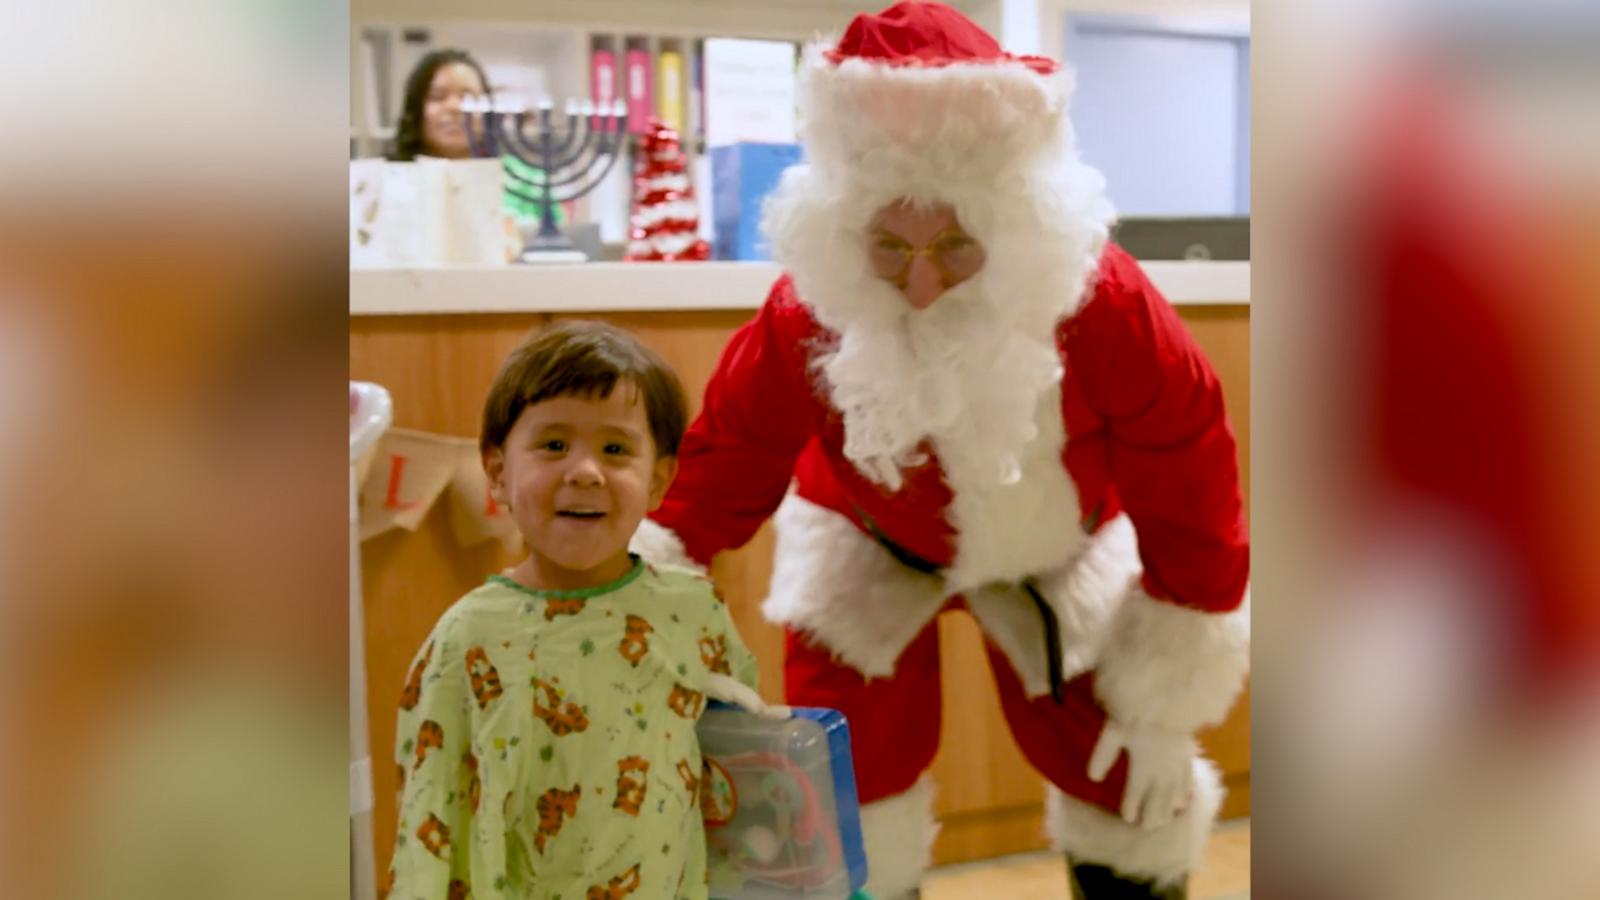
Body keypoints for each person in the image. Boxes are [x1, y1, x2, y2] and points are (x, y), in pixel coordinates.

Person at [629, 3, 1249, 899]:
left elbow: (1189, 470)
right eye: (888, 249)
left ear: (1013, 225)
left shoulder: (1101, 302)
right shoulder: (808, 309)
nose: (921, 286)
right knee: (844, 788)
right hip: (866, 536)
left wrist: (1166, 696)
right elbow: (727, 456)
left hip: (1055, 544)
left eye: (957, 247)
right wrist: (649, 596)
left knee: (1125, 775)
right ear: (847, 236)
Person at [386, 321, 760, 899]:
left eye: (615, 449)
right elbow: (428, 824)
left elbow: (743, 771)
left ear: (658, 480)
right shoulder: (466, 640)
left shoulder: (695, 613)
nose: (585, 471)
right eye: (554, 445)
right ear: (498, 472)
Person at [387, 47, 562, 228]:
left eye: (468, 97)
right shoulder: (387, 182)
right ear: (415, 109)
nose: (455, 107)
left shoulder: (526, 182)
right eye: (437, 97)